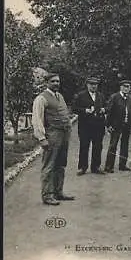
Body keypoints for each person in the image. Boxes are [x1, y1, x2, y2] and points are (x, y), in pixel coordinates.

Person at [32, 73, 75, 205]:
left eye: (58, 81)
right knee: (49, 165)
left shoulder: (60, 96)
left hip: (64, 135)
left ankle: (58, 192)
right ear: (47, 83)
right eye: (53, 81)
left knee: (61, 164)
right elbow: (37, 119)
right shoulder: (41, 98)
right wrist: (41, 138)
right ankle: (47, 195)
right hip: (52, 135)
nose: (56, 83)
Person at [72, 77, 107, 175]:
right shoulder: (81, 95)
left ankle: (95, 167)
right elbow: (74, 108)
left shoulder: (101, 96)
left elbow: (107, 106)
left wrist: (104, 109)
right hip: (85, 126)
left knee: (98, 146)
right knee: (84, 146)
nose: (93, 86)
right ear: (87, 85)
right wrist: (84, 110)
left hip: (98, 125)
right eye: (91, 84)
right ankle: (82, 167)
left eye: (95, 84)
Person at [104, 79, 131, 173]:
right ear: (121, 87)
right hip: (116, 125)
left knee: (125, 145)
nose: (126, 88)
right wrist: (108, 125)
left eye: (128, 87)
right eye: (124, 86)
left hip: (127, 125)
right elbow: (109, 111)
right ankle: (108, 166)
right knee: (113, 145)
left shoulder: (130, 98)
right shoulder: (115, 97)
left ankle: (122, 165)